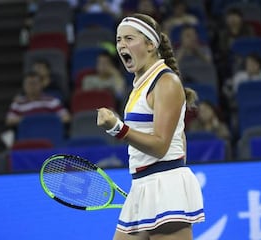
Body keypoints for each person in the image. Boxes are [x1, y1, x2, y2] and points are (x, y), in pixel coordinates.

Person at [97, 13, 204, 240]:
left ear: (151, 44)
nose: (121, 45)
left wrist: (118, 128)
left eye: (129, 39)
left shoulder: (166, 82)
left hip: (165, 187)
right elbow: (180, 138)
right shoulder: (140, 84)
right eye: (118, 40)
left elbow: (161, 146)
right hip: (145, 185)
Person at [5, 71, 71, 128]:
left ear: (41, 84)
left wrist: (45, 121)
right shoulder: (18, 103)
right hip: (27, 135)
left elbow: (66, 118)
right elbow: (9, 121)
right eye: (29, 84)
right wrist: (31, 120)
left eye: (35, 83)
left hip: (49, 133)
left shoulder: (52, 101)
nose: (32, 87)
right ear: (24, 86)